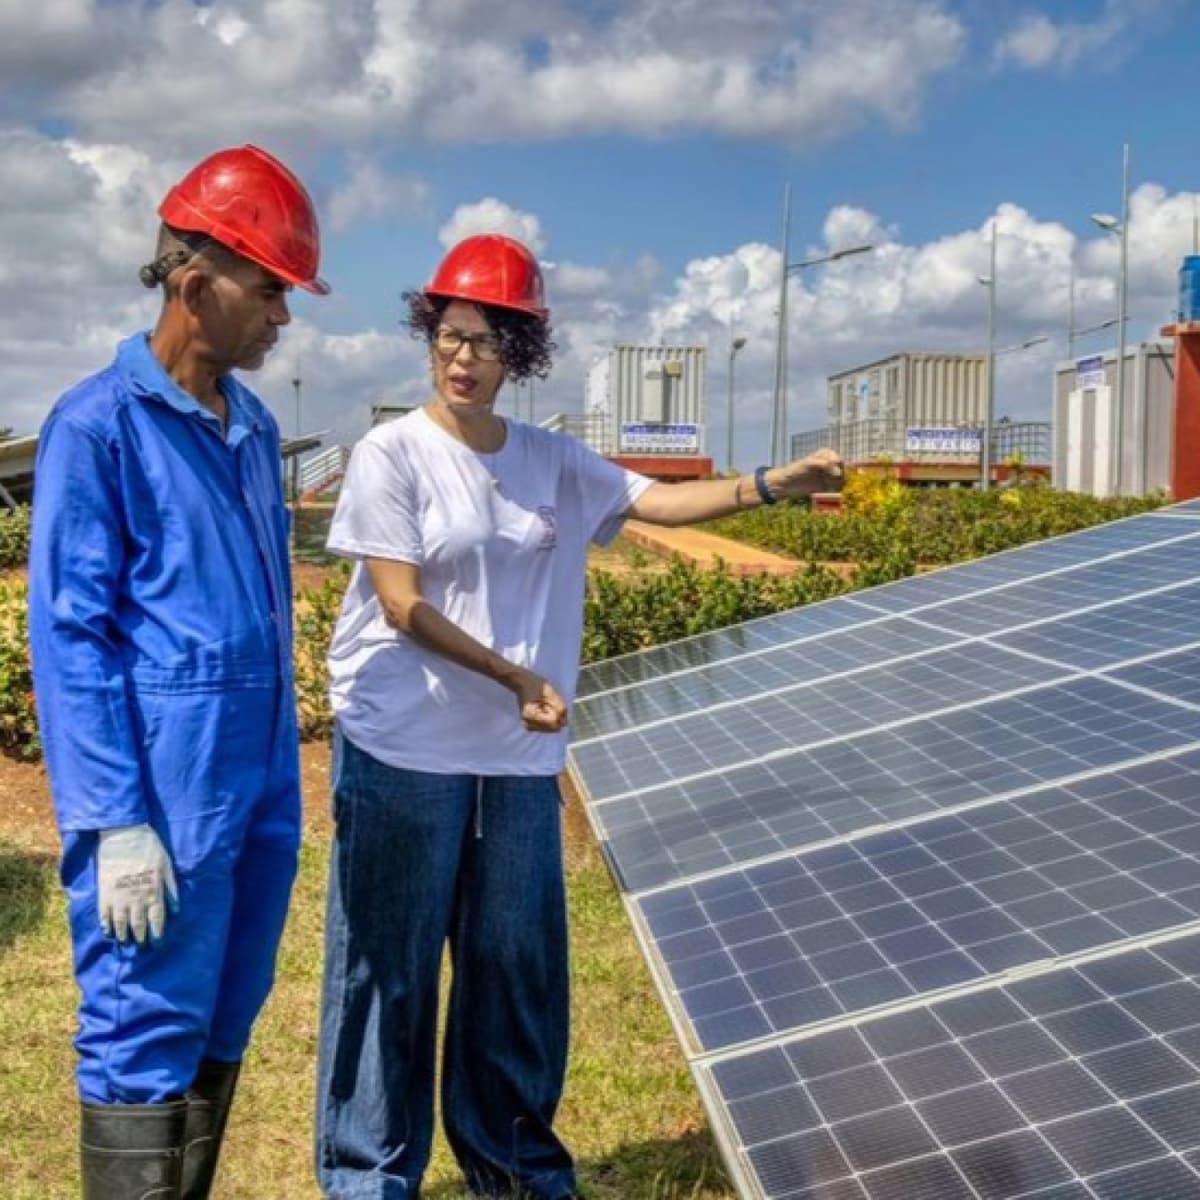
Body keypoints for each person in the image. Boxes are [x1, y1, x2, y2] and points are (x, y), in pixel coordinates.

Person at [314, 232, 843, 1199]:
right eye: (449, 336)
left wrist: (775, 484)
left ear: (519, 355)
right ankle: (368, 1176)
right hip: (405, 748)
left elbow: (663, 503)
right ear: (430, 339)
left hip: (515, 762)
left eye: (487, 342)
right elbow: (398, 602)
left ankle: (516, 1169)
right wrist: (513, 676)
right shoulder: (394, 454)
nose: (463, 358)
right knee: (388, 973)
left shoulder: (552, 460)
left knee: (513, 968)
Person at [28, 144, 329, 1199]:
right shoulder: (98, 428)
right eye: (270, 289)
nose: (283, 316)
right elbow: (72, 639)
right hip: (163, 791)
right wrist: (114, 819)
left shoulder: (251, 428)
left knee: (225, 1008)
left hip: (258, 785)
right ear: (195, 286)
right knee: (143, 1022)